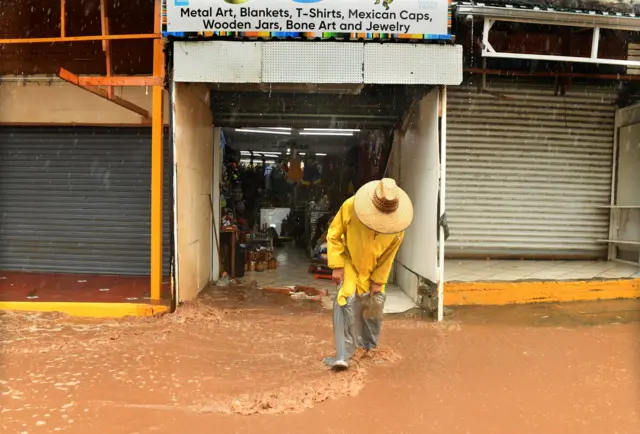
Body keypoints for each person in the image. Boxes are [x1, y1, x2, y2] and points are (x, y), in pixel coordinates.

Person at [323, 178, 413, 370]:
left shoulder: (398, 227)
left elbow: (389, 255)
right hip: (349, 260)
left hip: (372, 268)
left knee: (373, 303)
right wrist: (337, 265)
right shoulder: (350, 206)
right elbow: (334, 234)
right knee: (345, 299)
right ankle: (342, 355)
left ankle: (367, 347)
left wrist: (378, 280)